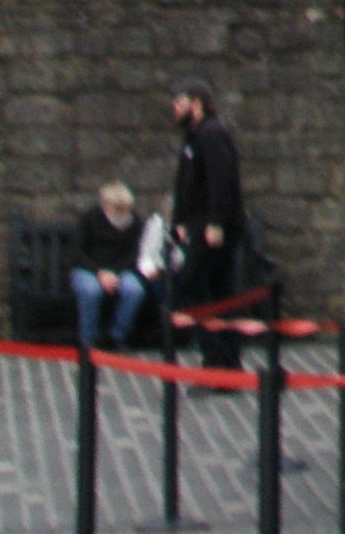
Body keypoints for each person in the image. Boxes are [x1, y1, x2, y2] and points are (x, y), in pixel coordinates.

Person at [167, 85, 246, 371]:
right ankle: (223, 362)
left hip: (211, 230)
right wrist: (179, 222)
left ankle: (218, 358)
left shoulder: (211, 134)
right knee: (217, 291)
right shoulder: (194, 136)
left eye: (180, 101)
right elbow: (188, 184)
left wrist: (215, 223)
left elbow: (220, 181)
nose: (175, 107)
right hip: (198, 226)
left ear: (196, 103)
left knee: (193, 287)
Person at [66, 181, 152, 349]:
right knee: (91, 291)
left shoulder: (134, 222)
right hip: (88, 269)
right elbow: (76, 252)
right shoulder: (90, 219)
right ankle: (88, 340)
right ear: (106, 205)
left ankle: (117, 336)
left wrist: (116, 273)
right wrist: (99, 272)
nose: (122, 213)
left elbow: (134, 254)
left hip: (120, 270)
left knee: (134, 290)